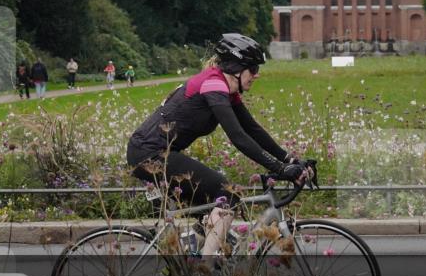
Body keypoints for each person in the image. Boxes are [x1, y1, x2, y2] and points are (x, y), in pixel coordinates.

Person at [127, 33, 311, 261]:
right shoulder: (213, 85)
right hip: (149, 155)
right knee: (228, 194)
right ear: (236, 67)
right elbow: (237, 136)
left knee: (217, 206)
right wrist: (280, 169)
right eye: (252, 68)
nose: (257, 74)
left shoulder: (224, 88)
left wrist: (290, 160)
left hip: (157, 153)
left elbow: (252, 129)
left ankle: (194, 259)